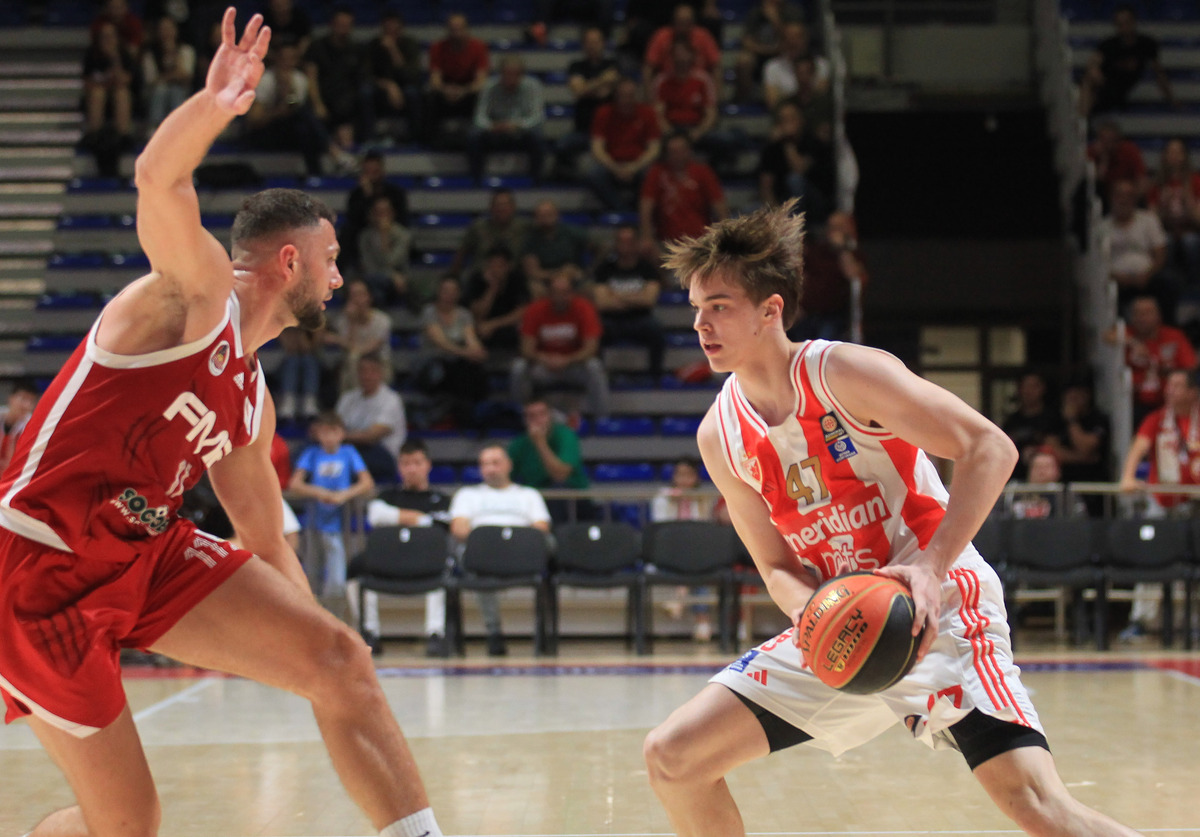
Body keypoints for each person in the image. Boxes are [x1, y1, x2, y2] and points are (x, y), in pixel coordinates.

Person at [0, 10, 443, 837]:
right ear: (291, 261)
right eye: (333, 259)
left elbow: (265, 537)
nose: (341, 278)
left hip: (141, 554)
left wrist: (316, 635)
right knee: (127, 827)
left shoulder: (251, 396)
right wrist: (213, 106)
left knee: (342, 661)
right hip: (41, 566)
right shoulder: (190, 296)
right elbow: (158, 182)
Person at [642, 201, 1147, 837]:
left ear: (771, 310)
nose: (700, 324)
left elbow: (991, 448)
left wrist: (931, 567)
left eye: (718, 305)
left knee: (1039, 809)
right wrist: (811, 612)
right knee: (673, 757)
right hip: (849, 621)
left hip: (942, 609)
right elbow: (773, 564)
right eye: (695, 308)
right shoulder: (720, 434)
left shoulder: (843, 373)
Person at [449, 444, 552, 655]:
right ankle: (493, 631)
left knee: (550, 545)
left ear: (509, 465)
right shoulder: (467, 495)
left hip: (521, 555)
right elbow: (458, 529)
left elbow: (541, 527)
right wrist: (491, 543)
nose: (490, 468)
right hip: (483, 556)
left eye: (495, 462)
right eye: (485, 464)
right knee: (475, 561)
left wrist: (511, 544)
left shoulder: (528, 494)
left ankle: (541, 633)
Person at [354, 439, 454, 656]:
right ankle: (370, 631)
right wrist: (420, 518)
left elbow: (442, 525)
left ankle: (435, 633)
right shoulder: (387, 496)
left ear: (427, 465)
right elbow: (375, 516)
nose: (411, 469)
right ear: (399, 467)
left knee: (444, 566)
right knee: (356, 568)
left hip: (426, 561)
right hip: (389, 561)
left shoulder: (440, 499)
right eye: (406, 463)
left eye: (417, 463)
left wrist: (397, 517)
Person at [289, 411, 375, 597]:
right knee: (312, 572)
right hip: (314, 522)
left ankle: (334, 614)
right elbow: (295, 484)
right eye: (324, 432)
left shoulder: (348, 453)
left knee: (337, 578)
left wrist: (344, 495)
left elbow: (367, 482)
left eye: (333, 432)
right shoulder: (311, 454)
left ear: (342, 433)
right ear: (318, 434)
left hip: (339, 523)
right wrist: (319, 492)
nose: (329, 437)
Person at [242, 42, 355, 176]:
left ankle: (316, 175)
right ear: (277, 59)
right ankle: (335, 154)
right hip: (265, 133)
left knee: (305, 129)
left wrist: (292, 88)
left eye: (292, 58)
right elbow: (253, 121)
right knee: (303, 116)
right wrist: (278, 112)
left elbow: (310, 112)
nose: (288, 63)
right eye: (284, 58)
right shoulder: (265, 81)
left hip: (292, 132)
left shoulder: (300, 80)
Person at [511, 267, 611, 419]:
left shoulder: (584, 308)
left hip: (574, 366)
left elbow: (591, 348)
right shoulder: (535, 309)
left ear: (572, 293)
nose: (561, 297)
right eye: (556, 292)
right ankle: (519, 418)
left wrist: (567, 360)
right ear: (549, 293)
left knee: (594, 366)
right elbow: (526, 349)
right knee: (518, 368)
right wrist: (544, 358)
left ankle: (602, 419)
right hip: (544, 367)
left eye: (565, 292)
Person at [650, 456, 716, 641]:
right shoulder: (663, 497)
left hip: (696, 552)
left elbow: (705, 529)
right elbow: (660, 528)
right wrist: (674, 503)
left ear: (696, 477)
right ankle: (702, 621)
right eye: (680, 475)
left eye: (689, 475)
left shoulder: (704, 499)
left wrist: (697, 502)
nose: (684, 479)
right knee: (693, 565)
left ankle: (679, 598)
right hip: (668, 552)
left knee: (695, 561)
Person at [414, 274, 490, 428]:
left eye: (453, 291)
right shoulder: (429, 312)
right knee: (457, 371)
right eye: (445, 290)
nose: (449, 295)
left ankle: (467, 415)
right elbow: (441, 343)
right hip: (431, 363)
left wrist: (478, 351)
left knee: (473, 370)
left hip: (456, 364)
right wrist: (467, 353)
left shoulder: (464, 314)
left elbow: (471, 339)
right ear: (439, 292)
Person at [593, 223, 666, 381]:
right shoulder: (605, 269)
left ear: (636, 243)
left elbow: (649, 301)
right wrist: (635, 297)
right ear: (616, 243)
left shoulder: (647, 268)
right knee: (595, 332)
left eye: (629, 241)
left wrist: (616, 296)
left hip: (640, 319)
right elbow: (602, 303)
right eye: (621, 241)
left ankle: (655, 377)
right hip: (611, 320)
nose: (625, 246)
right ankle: (600, 377)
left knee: (657, 331)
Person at [1080, 3, 1176, 117]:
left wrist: (1172, 100)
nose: (1124, 27)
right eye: (1120, 23)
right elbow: (1093, 64)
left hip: (1121, 92)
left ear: (1134, 21)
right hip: (1104, 88)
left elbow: (1159, 74)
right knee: (1090, 80)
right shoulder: (1108, 45)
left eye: (1127, 22)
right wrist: (1097, 75)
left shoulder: (1146, 44)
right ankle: (1082, 118)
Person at [583, 75, 663, 211]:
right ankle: (621, 209)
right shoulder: (603, 113)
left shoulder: (647, 113)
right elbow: (597, 148)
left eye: (630, 95)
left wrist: (634, 167)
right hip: (611, 163)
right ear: (616, 95)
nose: (627, 99)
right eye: (623, 95)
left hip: (638, 163)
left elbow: (654, 148)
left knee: (653, 174)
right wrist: (615, 168)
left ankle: (640, 208)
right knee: (593, 174)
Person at [639, 132, 728, 250]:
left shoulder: (702, 172)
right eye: (673, 152)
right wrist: (647, 236)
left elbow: (719, 205)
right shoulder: (657, 172)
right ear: (666, 153)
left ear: (689, 150)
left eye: (681, 150)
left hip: (700, 240)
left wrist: (725, 235)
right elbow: (646, 206)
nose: (678, 155)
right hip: (666, 241)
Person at [787, 211, 867, 341]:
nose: (833, 232)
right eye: (831, 227)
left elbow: (853, 274)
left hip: (833, 316)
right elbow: (799, 276)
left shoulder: (853, 254)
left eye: (838, 228)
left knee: (824, 340)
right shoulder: (816, 251)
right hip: (806, 313)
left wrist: (841, 248)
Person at [507, 397, 591, 522]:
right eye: (532, 416)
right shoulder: (519, 444)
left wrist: (540, 443)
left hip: (573, 500)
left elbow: (560, 475)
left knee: (559, 490)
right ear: (525, 420)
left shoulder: (565, 436)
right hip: (535, 497)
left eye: (542, 414)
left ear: (550, 416)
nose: (538, 420)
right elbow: (506, 476)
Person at [467, 55, 546, 184]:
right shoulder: (489, 86)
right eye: (506, 74)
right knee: (473, 135)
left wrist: (517, 125)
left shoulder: (533, 86)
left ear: (521, 75)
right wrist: (492, 126)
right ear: (500, 74)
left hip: (520, 132)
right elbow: (479, 116)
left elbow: (537, 117)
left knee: (537, 135)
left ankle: (535, 180)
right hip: (495, 131)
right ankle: (476, 178)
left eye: (514, 75)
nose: (510, 79)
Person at [1101, 178, 1171, 323]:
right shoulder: (1101, 228)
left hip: (1147, 276)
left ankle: (1166, 328)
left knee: (1170, 282)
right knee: (1104, 289)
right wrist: (1117, 277)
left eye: (1128, 196)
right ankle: (1117, 329)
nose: (1124, 200)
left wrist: (1147, 274)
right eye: (1119, 195)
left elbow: (1160, 253)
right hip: (1115, 279)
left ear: (1135, 199)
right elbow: (1098, 263)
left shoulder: (1148, 220)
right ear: (1111, 198)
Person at [1121, 294, 1198, 427]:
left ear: (1158, 315)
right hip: (1136, 403)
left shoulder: (1173, 336)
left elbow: (1190, 367)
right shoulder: (1128, 333)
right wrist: (1133, 342)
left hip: (1168, 401)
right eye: (1138, 313)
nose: (1142, 318)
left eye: (1147, 313)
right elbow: (1109, 335)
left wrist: (1160, 369)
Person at [554, 27, 620, 177]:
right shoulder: (576, 66)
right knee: (561, 146)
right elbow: (578, 91)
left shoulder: (613, 64)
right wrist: (602, 81)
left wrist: (586, 87)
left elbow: (606, 92)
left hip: (608, 131)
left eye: (596, 41)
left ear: (603, 43)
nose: (592, 45)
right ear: (583, 45)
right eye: (588, 42)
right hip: (583, 130)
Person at [757, 101, 834, 227]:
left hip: (814, 203)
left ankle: (794, 228)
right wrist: (776, 214)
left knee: (795, 180)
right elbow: (766, 186)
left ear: (801, 120)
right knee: (746, 214)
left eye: (791, 119)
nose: (787, 123)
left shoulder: (812, 142)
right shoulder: (772, 148)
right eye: (783, 120)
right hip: (782, 203)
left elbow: (799, 168)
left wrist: (788, 143)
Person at [304, 5, 367, 153]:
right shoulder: (317, 47)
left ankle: (358, 148)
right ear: (331, 24)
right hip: (322, 99)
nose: (343, 29)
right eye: (340, 25)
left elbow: (360, 80)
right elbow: (311, 78)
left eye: (347, 25)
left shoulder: (357, 49)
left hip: (347, 103)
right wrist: (318, 103)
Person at [336, 352, 407, 484]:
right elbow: (334, 426)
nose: (367, 376)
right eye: (362, 371)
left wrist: (340, 436)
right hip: (351, 449)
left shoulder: (391, 399)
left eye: (372, 371)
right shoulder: (348, 398)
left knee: (344, 459)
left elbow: (371, 436)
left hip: (383, 455)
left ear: (381, 373)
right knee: (313, 449)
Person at [423, 12, 490, 144]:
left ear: (467, 29)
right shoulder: (437, 47)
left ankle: (476, 139)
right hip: (446, 90)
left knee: (481, 96)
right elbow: (435, 80)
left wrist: (463, 91)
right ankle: (429, 141)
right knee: (429, 96)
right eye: (453, 30)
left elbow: (481, 81)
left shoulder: (479, 47)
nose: (457, 34)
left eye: (460, 29)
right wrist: (445, 90)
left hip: (468, 91)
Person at [81, 20, 137, 176]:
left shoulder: (123, 54)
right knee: (97, 94)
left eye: (111, 36)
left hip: (118, 95)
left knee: (122, 94)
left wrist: (115, 59)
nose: (108, 40)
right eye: (104, 37)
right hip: (99, 96)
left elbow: (126, 79)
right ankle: (94, 134)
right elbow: (87, 82)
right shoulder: (92, 54)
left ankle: (123, 136)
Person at [341, 149, 410, 272]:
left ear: (382, 171)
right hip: (366, 235)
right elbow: (354, 219)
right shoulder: (357, 195)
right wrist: (367, 196)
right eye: (368, 172)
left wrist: (385, 226)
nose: (372, 176)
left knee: (401, 236)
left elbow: (403, 219)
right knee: (348, 234)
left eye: (375, 172)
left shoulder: (395, 193)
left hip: (391, 232)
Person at [1146, 137, 1200, 291]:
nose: (1175, 156)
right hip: (1165, 230)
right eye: (1171, 152)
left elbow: (1198, 220)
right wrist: (1163, 205)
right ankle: (1168, 283)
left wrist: (1188, 201)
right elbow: (1152, 221)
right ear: (1165, 156)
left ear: (1185, 156)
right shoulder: (1157, 183)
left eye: (1178, 152)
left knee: (1191, 242)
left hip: (1190, 230)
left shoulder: (1195, 181)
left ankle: (1194, 285)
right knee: (1165, 242)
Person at [327, 278, 394, 392]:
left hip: (379, 364)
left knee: (354, 358)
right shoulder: (344, 321)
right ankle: (351, 402)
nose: (357, 300)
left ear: (369, 297)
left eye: (360, 294)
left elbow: (365, 348)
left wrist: (339, 340)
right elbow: (347, 347)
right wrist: (352, 323)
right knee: (350, 363)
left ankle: (359, 399)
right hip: (351, 367)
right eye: (353, 295)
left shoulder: (382, 321)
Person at [366, 10, 423, 141]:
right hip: (381, 88)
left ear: (401, 28)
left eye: (394, 29)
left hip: (405, 87)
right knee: (365, 93)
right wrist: (388, 85)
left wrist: (393, 50)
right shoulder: (373, 46)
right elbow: (366, 75)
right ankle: (368, 137)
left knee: (412, 93)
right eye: (387, 29)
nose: (391, 32)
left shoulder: (410, 44)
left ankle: (416, 138)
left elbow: (411, 76)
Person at [463, 243, 532, 350]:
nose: (495, 270)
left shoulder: (517, 278)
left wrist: (494, 324)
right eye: (492, 265)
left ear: (508, 266)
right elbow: (476, 313)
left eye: (500, 266)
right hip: (482, 326)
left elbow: (523, 311)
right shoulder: (477, 279)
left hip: (506, 325)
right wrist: (492, 289)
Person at [450, 188, 531, 278]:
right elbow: (461, 253)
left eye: (505, 205)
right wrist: (453, 277)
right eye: (498, 205)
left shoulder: (524, 228)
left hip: (514, 280)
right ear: (491, 207)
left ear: (513, 207)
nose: (501, 208)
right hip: (481, 279)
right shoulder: (478, 228)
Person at [1001, 371, 1064, 481]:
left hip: (1046, 480)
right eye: (1025, 386)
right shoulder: (1012, 421)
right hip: (1016, 478)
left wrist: (1034, 453)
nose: (1028, 391)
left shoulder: (1052, 418)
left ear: (1043, 389)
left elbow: (1056, 448)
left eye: (1034, 386)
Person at [642, 4, 722, 89]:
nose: (683, 27)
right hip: (669, 87)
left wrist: (716, 99)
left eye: (687, 22)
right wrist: (651, 100)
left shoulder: (703, 36)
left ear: (693, 22)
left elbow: (716, 67)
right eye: (680, 22)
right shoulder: (661, 36)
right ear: (673, 22)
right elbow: (648, 68)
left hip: (698, 89)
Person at [521, 199, 591, 296]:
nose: (545, 218)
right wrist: (559, 274)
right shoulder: (530, 239)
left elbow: (601, 246)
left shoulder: (571, 232)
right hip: (545, 280)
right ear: (536, 218)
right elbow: (532, 272)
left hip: (573, 278)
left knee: (589, 288)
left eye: (549, 214)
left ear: (557, 215)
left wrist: (589, 270)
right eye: (541, 215)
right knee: (535, 287)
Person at [357, 195, 414, 307]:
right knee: (376, 290)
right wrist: (391, 275)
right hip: (378, 278)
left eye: (385, 212)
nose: (381, 216)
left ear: (392, 213)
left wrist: (384, 237)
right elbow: (368, 265)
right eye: (378, 212)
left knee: (376, 291)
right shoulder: (365, 237)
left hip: (399, 282)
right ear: (371, 214)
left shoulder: (403, 235)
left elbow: (393, 261)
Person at [141, 16, 196, 130]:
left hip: (181, 91)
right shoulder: (150, 54)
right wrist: (172, 76)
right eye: (163, 29)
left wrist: (174, 55)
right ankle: (155, 128)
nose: (166, 33)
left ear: (175, 30)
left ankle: (179, 129)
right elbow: (151, 80)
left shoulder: (186, 51)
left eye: (169, 28)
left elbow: (186, 77)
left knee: (175, 91)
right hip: (155, 93)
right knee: (161, 90)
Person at [0, 379, 38, 473]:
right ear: (11, 398)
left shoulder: (31, 426)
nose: (26, 405)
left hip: (13, 480)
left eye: (31, 401)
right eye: (23, 398)